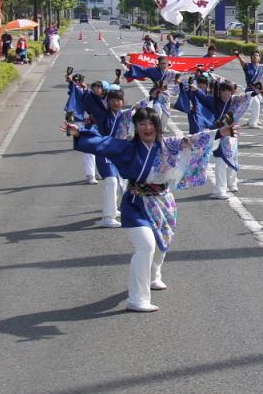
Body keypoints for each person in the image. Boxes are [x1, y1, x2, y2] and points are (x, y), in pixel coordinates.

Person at [66, 107, 236, 311]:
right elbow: (103, 143)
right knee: (146, 246)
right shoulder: (126, 147)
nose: (147, 128)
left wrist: (221, 132)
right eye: (142, 124)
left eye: (151, 124)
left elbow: (194, 140)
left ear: (158, 126)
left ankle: (154, 273)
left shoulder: (169, 146)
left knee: (161, 244)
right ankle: (137, 298)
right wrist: (79, 133)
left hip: (163, 202)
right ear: (136, 128)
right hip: (135, 203)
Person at [66, 82, 133, 227]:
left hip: (120, 153)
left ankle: (114, 208)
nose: (115, 103)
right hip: (104, 151)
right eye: (112, 100)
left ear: (123, 102)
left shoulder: (126, 115)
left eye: (118, 100)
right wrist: (83, 89)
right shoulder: (102, 113)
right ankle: (108, 216)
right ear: (107, 102)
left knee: (122, 182)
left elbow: (141, 110)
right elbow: (90, 100)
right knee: (111, 181)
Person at [188, 81, 253, 199]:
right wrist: (195, 90)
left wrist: (254, 93)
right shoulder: (214, 100)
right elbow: (203, 98)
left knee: (232, 157)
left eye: (229, 91)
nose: (227, 94)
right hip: (218, 134)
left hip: (231, 133)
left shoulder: (234, 100)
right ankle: (220, 189)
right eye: (224, 91)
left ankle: (232, 183)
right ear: (220, 91)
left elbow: (245, 97)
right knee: (220, 161)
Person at [237, 51, 263, 128]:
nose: (255, 57)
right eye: (254, 55)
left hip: (259, 90)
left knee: (261, 105)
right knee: (256, 103)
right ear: (251, 58)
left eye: (257, 55)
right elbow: (242, 61)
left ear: (259, 58)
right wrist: (238, 55)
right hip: (250, 90)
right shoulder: (247, 66)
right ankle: (253, 123)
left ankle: (253, 120)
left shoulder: (262, 67)